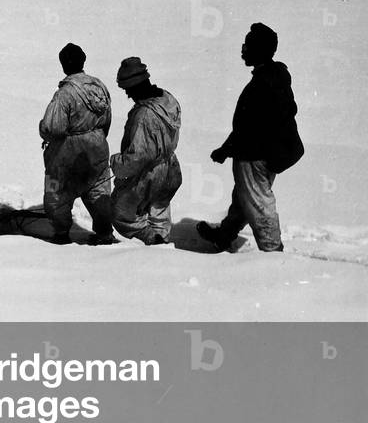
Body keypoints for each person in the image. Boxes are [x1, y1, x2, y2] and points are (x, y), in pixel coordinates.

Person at [197, 23, 303, 252]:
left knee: (257, 202)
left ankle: (273, 251)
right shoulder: (276, 77)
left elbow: (249, 128)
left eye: (247, 46)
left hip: (254, 156)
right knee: (245, 197)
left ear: (259, 50)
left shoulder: (263, 84)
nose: (242, 50)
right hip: (265, 153)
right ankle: (225, 234)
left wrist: (225, 150)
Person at [39, 43, 116, 245]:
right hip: (97, 146)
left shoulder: (64, 93)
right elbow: (107, 119)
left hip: (68, 151)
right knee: (98, 190)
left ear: (63, 65)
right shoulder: (99, 87)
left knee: (57, 191)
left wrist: (43, 130)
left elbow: (52, 127)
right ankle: (105, 233)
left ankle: (61, 233)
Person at [109, 58, 183, 245]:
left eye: (128, 90)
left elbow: (138, 157)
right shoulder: (167, 98)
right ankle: (162, 246)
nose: (127, 95)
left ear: (136, 86)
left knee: (121, 213)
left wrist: (117, 163)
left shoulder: (143, 115)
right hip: (170, 166)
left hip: (148, 173)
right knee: (159, 211)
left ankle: (153, 240)